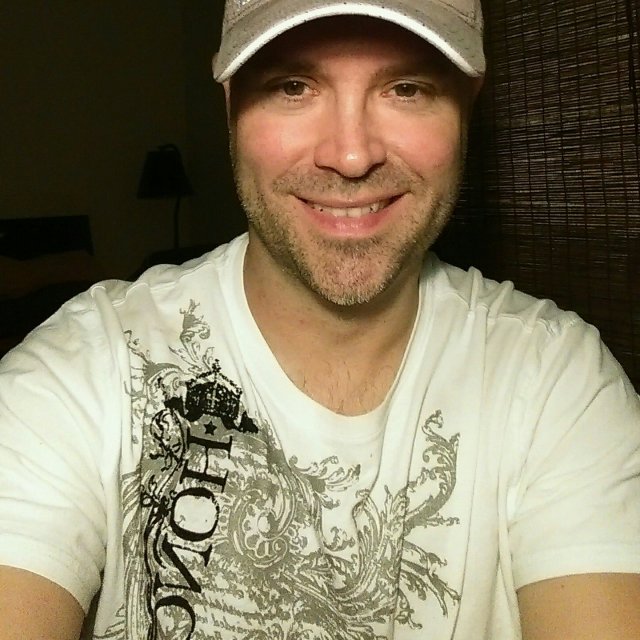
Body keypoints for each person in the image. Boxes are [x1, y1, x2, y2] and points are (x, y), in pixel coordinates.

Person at [1, 0, 640, 638]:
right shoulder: (85, 371)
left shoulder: (556, 383)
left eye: (407, 88)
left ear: (468, 105)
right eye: (293, 87)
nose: (352, 156)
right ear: (230, 103)